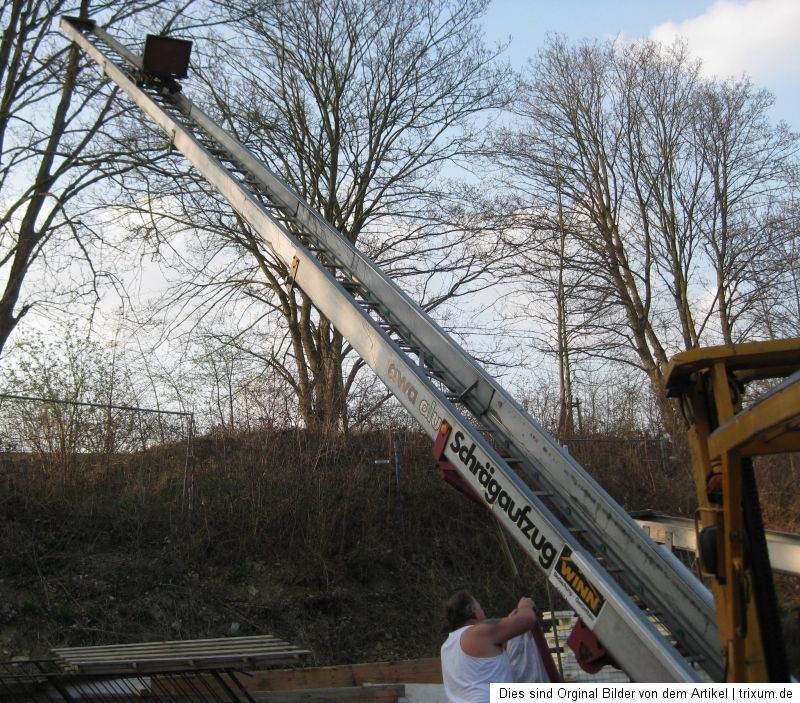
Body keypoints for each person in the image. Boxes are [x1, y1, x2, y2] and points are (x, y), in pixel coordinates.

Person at [440, 590, 547, 702]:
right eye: (479, 606)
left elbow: (491, 655)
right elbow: (528, 619)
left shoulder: (447, 646)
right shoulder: (478, 632)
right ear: (472, 610)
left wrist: (509, 622)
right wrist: (524, 606)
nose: (483, 611)